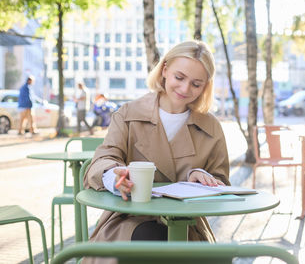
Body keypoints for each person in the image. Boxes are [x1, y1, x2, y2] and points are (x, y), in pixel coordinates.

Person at [83, 40, 230, 263]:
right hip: (128, 221)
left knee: (212, 258)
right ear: (164, 70)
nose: (185, 89)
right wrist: (117, 177)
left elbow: (221, 183)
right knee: (154, 244)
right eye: (179, 78)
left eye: (196, 84)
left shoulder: (211, 128)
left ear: (206, 86)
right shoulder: (128, 114)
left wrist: (199, 178)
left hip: (186, 227)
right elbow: (103, 159)